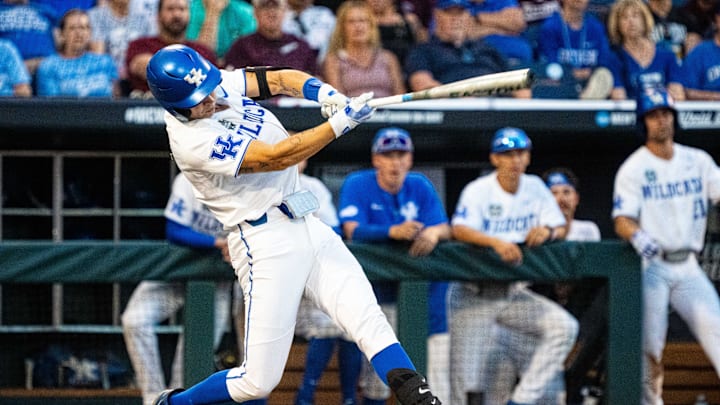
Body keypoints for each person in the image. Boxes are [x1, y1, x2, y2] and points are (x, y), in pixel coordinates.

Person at [145, 44, 442, 405]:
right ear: (172, 104)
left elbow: (281, 79)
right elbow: (276, 156)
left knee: (368, 320)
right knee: (257, 382)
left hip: (307, 222)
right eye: (197, 98)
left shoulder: (213, 84)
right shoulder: (192, 141)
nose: (208, 97)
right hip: (264, 242)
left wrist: (326, 93)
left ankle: (417, 395)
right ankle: (175, 403)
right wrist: (338, 124)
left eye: (207, 87)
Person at [449, 127, 579, 405]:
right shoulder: (479, 190)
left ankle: (520, 401)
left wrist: (548, 231)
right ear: (495, 159)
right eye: (507, 154)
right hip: (473, 296)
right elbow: (459, 229)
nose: (514, 160)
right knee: (465, 387)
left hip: (511, 295)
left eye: (519, 153)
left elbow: (559, 226)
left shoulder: (535, 187)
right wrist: (494, 242)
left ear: (528, 157)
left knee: (564, 327)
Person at [611, 86, 720, 405]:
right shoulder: (633, 168)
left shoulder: (697, 160)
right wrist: (636, 235)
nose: (661, 121)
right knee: (650, 347)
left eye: (666, 114)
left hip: (688, 266)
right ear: (643, 123)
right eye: (654, 116)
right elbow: (622, 219)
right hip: (652, 268)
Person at [337, 126, 451, 405]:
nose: (395, 162)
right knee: (378, 384)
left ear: (410, 159)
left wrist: (434, 233)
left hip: (426, 304)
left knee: (436, 386)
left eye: (401, 155)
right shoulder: (358, 183)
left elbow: (445, 227)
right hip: (379, 301)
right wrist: (392, 231)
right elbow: (351, 229)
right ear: (376, 159)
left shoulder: (420, 184)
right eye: (388, 155)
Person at [122, 172, 233, 405]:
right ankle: (153, 397)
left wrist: (239, 243)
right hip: (176, 273)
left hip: (216, 284)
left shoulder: (248, 186)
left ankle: (175, 400)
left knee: (192, 358)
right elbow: (174, 231)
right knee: (133, 320)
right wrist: (219, 243)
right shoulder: (188, 179)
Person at [294, 158, 364, 405]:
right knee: (253, 363)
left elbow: (334, 228)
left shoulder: (312, 188)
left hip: (308, 275)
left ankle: (312, 396)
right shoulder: (257, 182)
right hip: (266, 280)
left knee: (336, 325)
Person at [404, 0, 532, 98]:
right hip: (454, 112)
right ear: (437, 16)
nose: (455, 19)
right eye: (449, 13)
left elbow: (519, 85)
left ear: (468, 16)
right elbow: (423, 86)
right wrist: (460, 98)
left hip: (495, 111)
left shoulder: (487, 49)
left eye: (460, 13)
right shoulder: (423, 51)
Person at [125, 0, 217, 97]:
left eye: (182, 9)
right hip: (147, 108)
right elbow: (148, 68)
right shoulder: (140, 45)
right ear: (158, 15)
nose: (177, 14)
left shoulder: (203, 51)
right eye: (170, 9)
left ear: (189, 14)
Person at [322, 0, 407, 98]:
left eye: (362, 20)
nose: (358, 26)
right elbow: (337, 99)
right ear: (342, 27)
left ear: (371, 26)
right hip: (352, 111)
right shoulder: (334, 61)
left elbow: (401, 97)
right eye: (351, 21)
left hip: (389, 111)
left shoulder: (389, 58)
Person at [606, 0, 684, 101]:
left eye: (635, 15)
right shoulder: (614, 59)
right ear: (617, 24)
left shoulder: (667, 55)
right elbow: (618, 96)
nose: (631, 21)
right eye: (624, 17)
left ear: (644, 19)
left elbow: (678, 94)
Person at [537, 0, 615, 99]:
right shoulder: (550, 26)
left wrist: (590, 72)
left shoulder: (596, 27)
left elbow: (604, 62)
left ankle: (585, 102)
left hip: (590, 83)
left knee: (604, 75)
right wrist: (570, 73)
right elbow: (550, 63)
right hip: (561, 82)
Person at [35, 8, 120, 97]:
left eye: (83, 28)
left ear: (90, 33)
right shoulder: (49, 66)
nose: (79, 33)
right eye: (72, 28)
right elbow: (50, 105)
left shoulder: (105, 62)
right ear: (62, 34)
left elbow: (116, 99)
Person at [224, 0, 318, 75]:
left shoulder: (300, 46)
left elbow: (315, 79)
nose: (271, 12)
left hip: (295, 97)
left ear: (285, 11)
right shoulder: (242, 46)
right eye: (265, 6)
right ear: (255, 12)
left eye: (276, 6)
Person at [88, 0, 156, 96]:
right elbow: (98, 56)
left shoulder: (142, 18)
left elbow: (150, 52)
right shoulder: (96, 16)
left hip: (136, 76)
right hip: (110, 77)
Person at [469, 0, 534, 68]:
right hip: (482, 59)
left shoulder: (502, 1)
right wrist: (502, 27)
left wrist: (479, 18)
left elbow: (518, 24)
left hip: (516, 54)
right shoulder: (461, 5)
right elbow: (466, 32)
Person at [0, 0, 58, 75]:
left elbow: (61, 42)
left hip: (46, 69)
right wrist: (18, 67)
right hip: (8, 72)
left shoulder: (46, 11)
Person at [186, 0, 257, 62]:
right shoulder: (188, 10)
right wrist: (213, 13)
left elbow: (249, 54)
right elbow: (199, 56)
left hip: (233, 68)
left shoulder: (246, 11)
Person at [366, 0, 427, 67]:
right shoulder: (363, 24)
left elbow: (423, 48)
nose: (375, 1)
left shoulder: (410, 21)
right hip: (377, 69)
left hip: (408, 68)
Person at [680, 5, 720, 101]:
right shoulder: (699, 52)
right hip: (706, 112)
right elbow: (687, 91)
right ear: (716, 20)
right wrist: (716, 97)